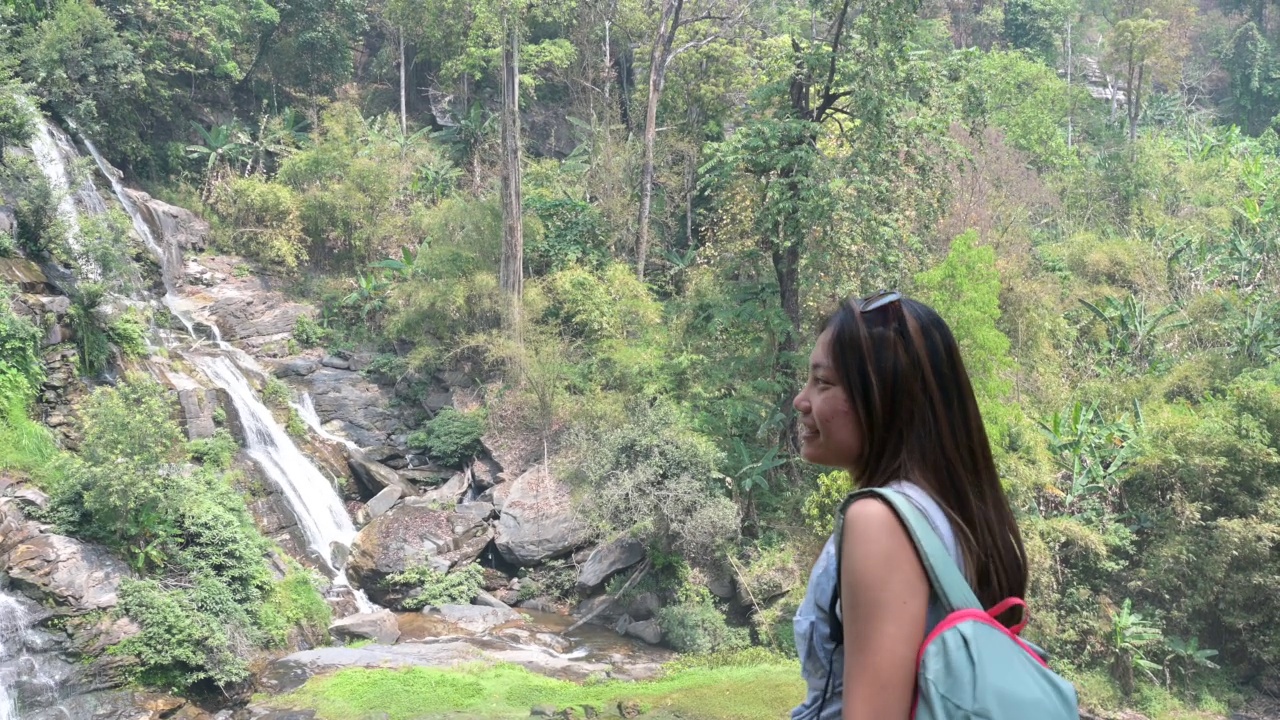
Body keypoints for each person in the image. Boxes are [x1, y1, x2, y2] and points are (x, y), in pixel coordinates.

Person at [790, 290, 1029, 720]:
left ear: (884, 395)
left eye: (823, 383)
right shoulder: (955, 511)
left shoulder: (880, 521)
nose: (801, 400)